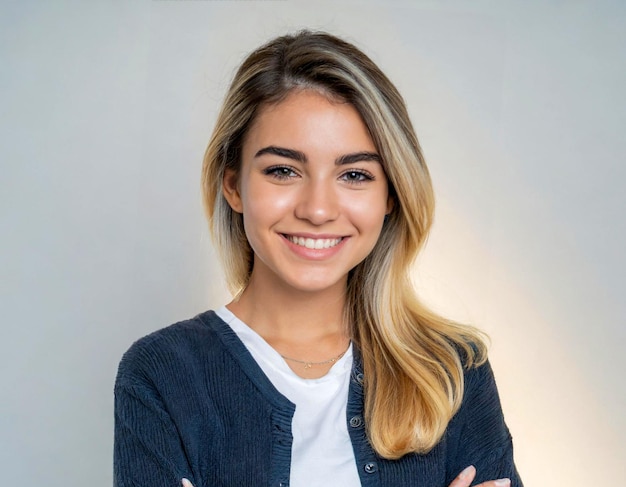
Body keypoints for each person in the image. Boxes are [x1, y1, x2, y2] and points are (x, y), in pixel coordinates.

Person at [114, 31, 523, 487]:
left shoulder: (450, 370)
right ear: (233, 186)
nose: (318, 209)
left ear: (391, 194)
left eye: (354, 174)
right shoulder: (163, 373)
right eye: (284, 170)